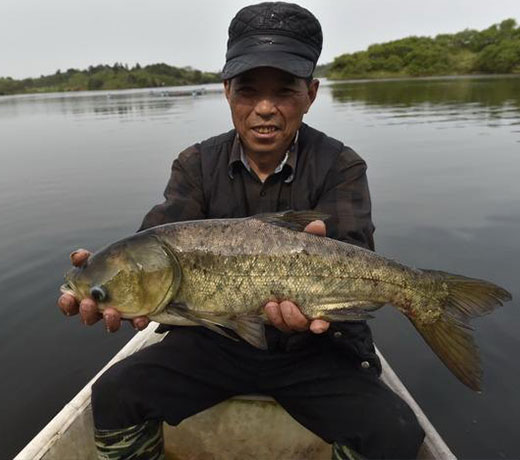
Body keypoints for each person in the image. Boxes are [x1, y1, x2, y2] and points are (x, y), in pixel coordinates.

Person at [58, 2, 425, 459]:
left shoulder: (341, 166)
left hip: (316, 347)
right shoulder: (196, 164)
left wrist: (321, 301)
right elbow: (157, 238)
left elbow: (355, 253)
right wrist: (106, 278)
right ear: (227, 91)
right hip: (216, 342)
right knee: (114, 395)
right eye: (249, 90)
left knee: (394, 433)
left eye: (285, 91)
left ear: (311, 93)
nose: (265, 109)